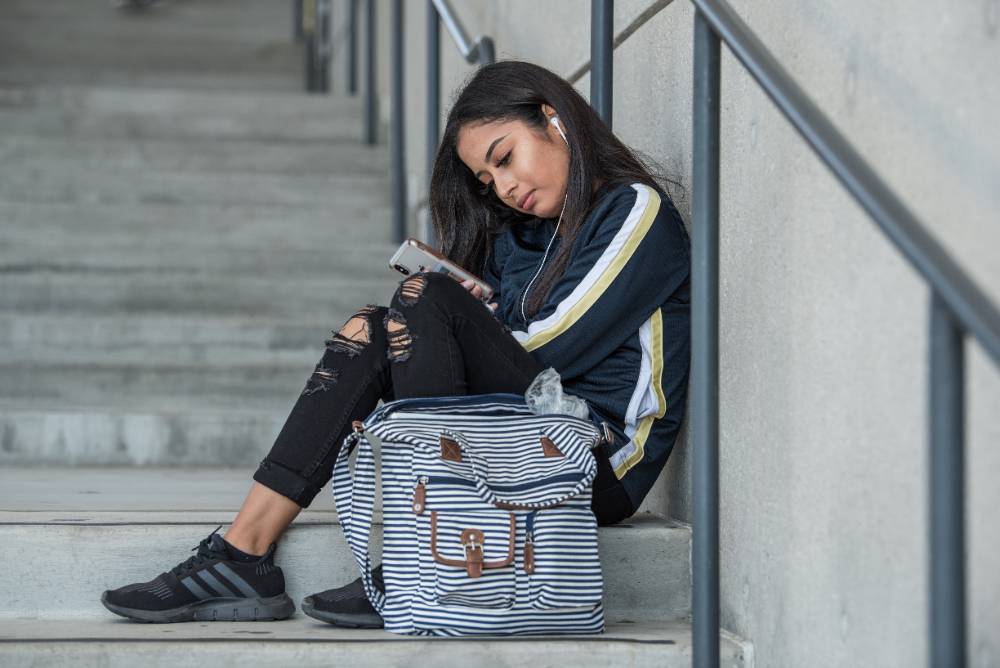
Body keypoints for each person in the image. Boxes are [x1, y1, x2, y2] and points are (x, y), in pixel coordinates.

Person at [101, 60, 691, 626]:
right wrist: (464, 318)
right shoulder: (524, 238)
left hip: (596, 465)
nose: (505, 187)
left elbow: (555, 347)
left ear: (553, 118)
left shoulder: (634, 210)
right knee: (375, 326)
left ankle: (424, 559)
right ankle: (243, 550)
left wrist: (455, 321)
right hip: (527, 443)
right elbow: (515, 352)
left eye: (505, 158)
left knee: (424, 299)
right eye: (488, 181)